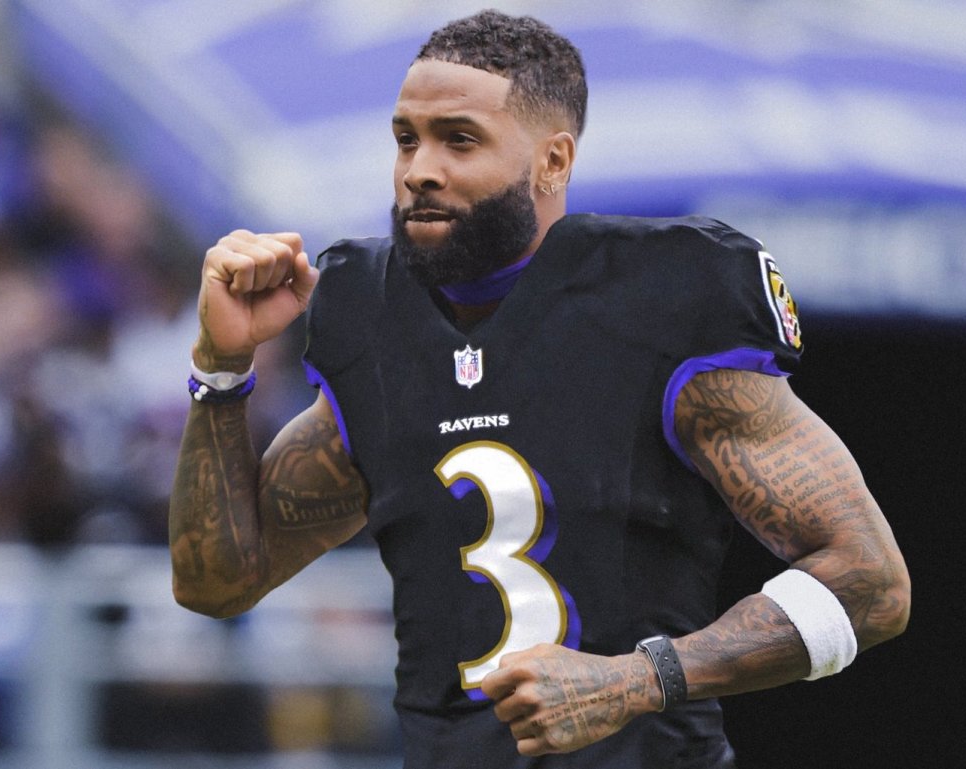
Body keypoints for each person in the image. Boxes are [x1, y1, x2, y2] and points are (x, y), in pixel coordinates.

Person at [169, 10, 910, 768]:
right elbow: (217, 583)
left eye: (460, 140)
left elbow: (871, 582)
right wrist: (221, 370)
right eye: (406, 139)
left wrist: (637, 679)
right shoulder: (371, 312)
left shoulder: (663, 295)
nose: (419, 169)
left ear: (553, 162)